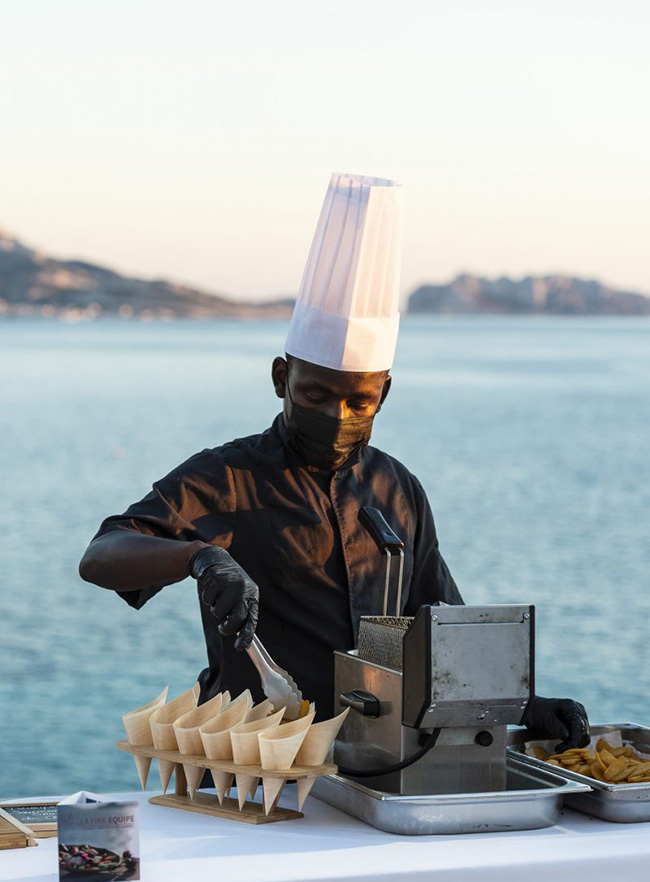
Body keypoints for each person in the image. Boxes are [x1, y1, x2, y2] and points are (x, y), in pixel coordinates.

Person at [79, 172, 589, 749]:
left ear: (384, 394)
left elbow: (444, 631)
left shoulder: (399, 489)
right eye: (315, 395)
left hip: (381, 759)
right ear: (281, 379)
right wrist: (198, 557)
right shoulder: (227, 477)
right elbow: (100, 556)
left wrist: (525, 702)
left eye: (359, 401)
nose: (338, 415)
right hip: (257, 763)